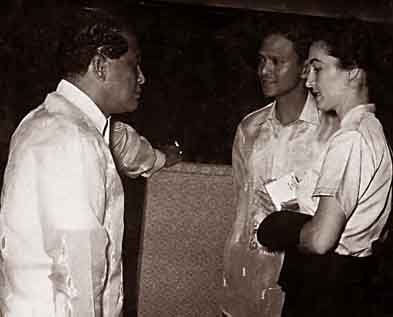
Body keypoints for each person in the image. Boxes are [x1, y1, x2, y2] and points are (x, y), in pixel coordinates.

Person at [0, 7, 181, 316]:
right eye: (134, 65)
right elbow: (77, 274)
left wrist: (163, 158)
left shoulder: (43, 121)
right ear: (100, 65)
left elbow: (126, 145)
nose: (142, 77)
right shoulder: (75, 140)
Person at [257, 19, 392, 317]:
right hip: (341, 286)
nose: (309, 81)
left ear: (353, 71)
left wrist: (280, 226)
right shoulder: (370, 129)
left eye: (318, 69)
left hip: (324, 292)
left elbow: (320, 239)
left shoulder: (351, 139)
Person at [221, 20, 338, 317]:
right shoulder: (250, 128)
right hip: (244, 271)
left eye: (276, 61)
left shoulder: (331, 132)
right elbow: (242, 201)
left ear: (303, 69)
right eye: (261, 60)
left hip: (299, 279)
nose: (264, 70)